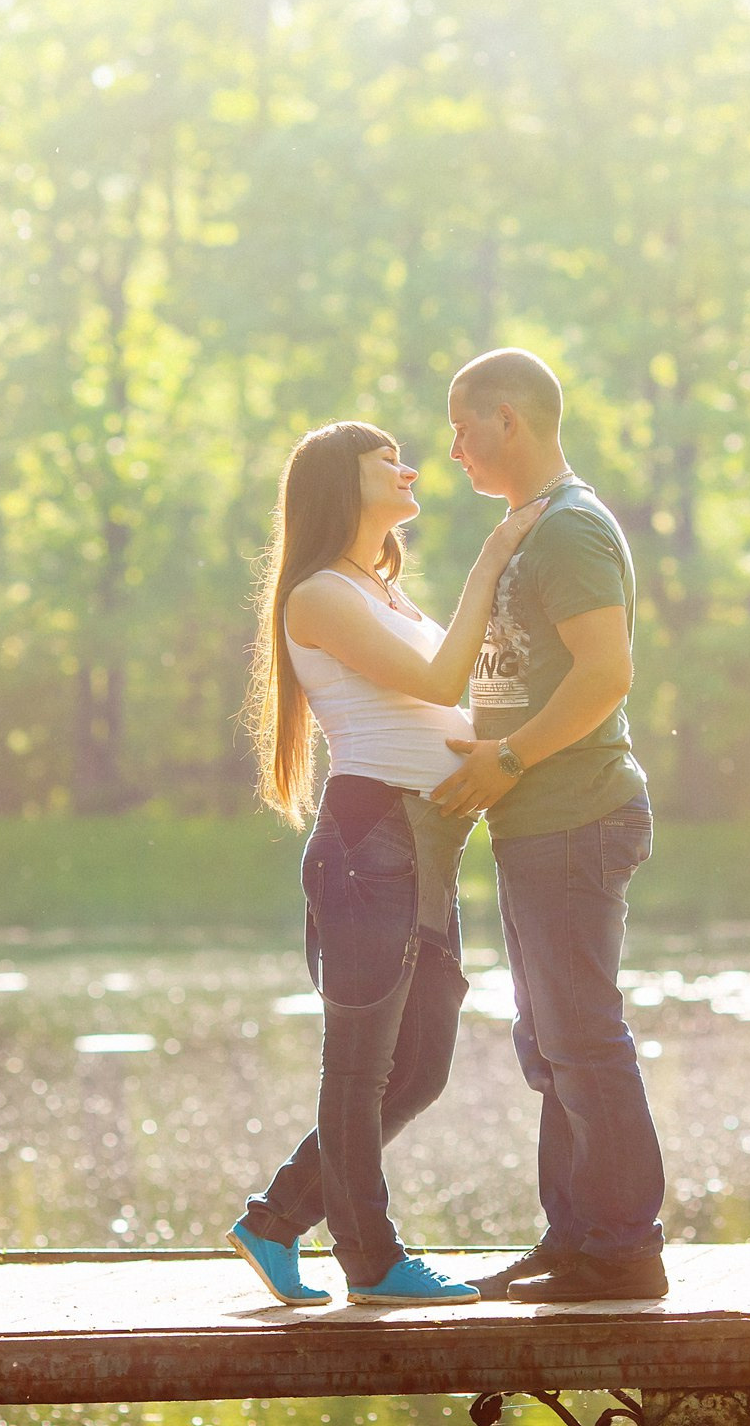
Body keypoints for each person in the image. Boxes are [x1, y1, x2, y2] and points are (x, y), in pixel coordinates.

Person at [227, 420, 545, 1307]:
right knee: (362, 1066)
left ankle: (276, 1218)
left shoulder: (382, 592)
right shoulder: (319, 594)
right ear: (341, 483)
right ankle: (370, 1259)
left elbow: (470, 688)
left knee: (421, 1066)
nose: (409, 469)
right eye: (385, 461)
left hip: (426, 849)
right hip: (372, 846)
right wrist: (493, 560)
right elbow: (440, 685)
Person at [428, 348, 668, 1302]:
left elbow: (605, 675)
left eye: (462, 427)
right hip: (534, 821)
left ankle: (624, 1249)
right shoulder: (528, 533)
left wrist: (510, 759)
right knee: (548, 1036)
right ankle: (575, 1238)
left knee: (581, 1032)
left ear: (508, 421)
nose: (452, 448)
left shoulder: (568, 531)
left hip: (575, 813)